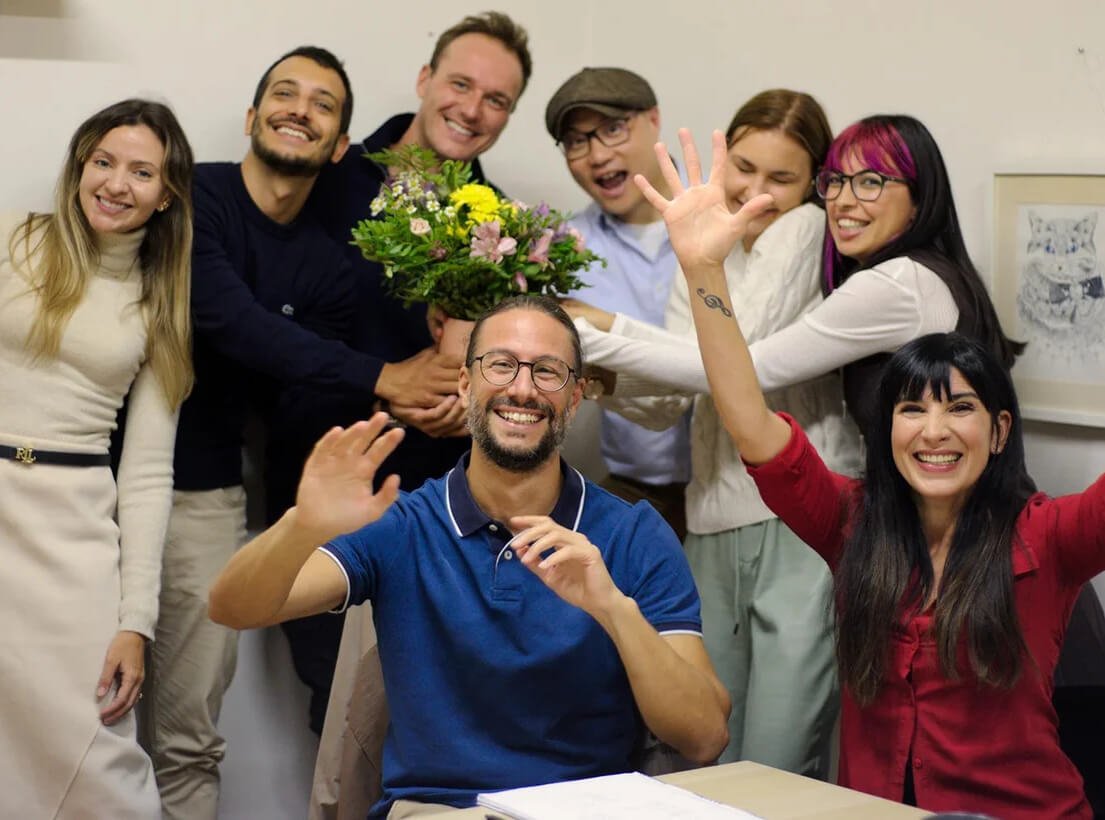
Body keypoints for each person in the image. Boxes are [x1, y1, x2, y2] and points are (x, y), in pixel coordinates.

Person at [637, 130, 1102, 818]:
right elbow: (746, 417)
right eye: (911, 410)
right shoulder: (849, 523)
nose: (934, 431)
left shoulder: (1051, 535)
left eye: (961, 410)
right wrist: (705, 270)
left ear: (999, 431)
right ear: (886, 433)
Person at [209, 296, 730, 818]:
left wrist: (614, 609)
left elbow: (704, 737)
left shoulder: (634, 533)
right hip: (439, 810)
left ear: (575, 399)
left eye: (547, 371)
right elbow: (234, 608)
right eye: (501, 365)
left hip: (585, 808)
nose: (522, 388)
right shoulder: (403, 523)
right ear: (465, 384)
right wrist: (305, 524)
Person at [562, 89, 860, 778]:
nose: (757, 192)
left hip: (800, 520)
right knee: (704, 747)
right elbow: (669, 400)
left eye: (781, 178)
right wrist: (590, 375)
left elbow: (732, 362)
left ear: (811, 185)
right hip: (712, 516)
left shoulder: (805, 230)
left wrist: (600, 329)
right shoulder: (700, 249)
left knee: (783, 752)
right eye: (744, 169)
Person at [147, 46, 393, 819]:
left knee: (187, 733)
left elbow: (301, 379)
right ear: (252, 118)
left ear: (340, 145)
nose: (300, 109)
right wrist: (386, 378)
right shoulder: (198, 195)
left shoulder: (332, 260)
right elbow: (231, 323)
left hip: (211, 491)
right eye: (284, 94)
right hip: (100, 480)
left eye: (323, 104)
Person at [299, 12, 533, 803]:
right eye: (461, 84)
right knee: (336, 717)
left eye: (497, 100)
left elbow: (504, 365)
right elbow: (284, 319)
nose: (473, 108)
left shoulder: (496, 221)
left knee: (433, 709)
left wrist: (460, 399)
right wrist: (386, 383)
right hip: (330, 483)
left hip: (444, 502)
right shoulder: (334, 176)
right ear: (425, 81)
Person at [596, 114, 1021, 446]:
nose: (843, 201)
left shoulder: (897, 284)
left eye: (870, 182)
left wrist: (586, 338)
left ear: (919, 198)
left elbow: (749, 369)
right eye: (835, 182)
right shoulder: (922, 274)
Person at [0, 98, 193, 818]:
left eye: (141, 172)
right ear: (80, 166)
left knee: (97, 753)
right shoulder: (13, 238)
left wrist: (133, 622)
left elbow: (146, 477)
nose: (116, 183)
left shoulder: (160, 303)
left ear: (166, 193)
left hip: (72, 538)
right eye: (104, 162)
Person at [545, 66, 691, 540]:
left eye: (612, 129)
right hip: (637, 489)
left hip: (739, 485)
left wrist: (606, 323)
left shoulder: (724, 217)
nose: (597, 154)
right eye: (576, 141)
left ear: (654, 119)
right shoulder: (563, 249)